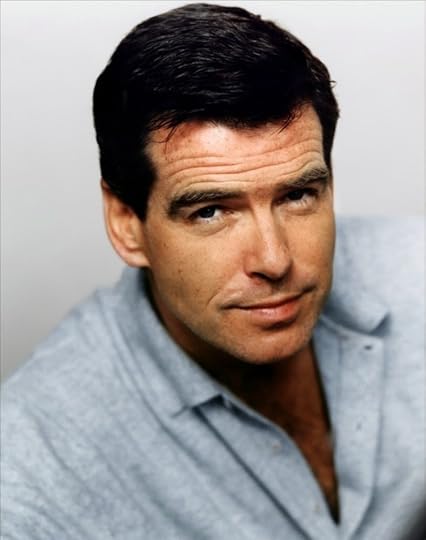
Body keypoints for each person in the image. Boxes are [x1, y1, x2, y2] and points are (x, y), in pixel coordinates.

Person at [1, 3, 423, 539]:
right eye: (210, 211)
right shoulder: (33, 469)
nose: (274, 260)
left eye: (297, 196)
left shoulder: (414, 274)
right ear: (127, 223)